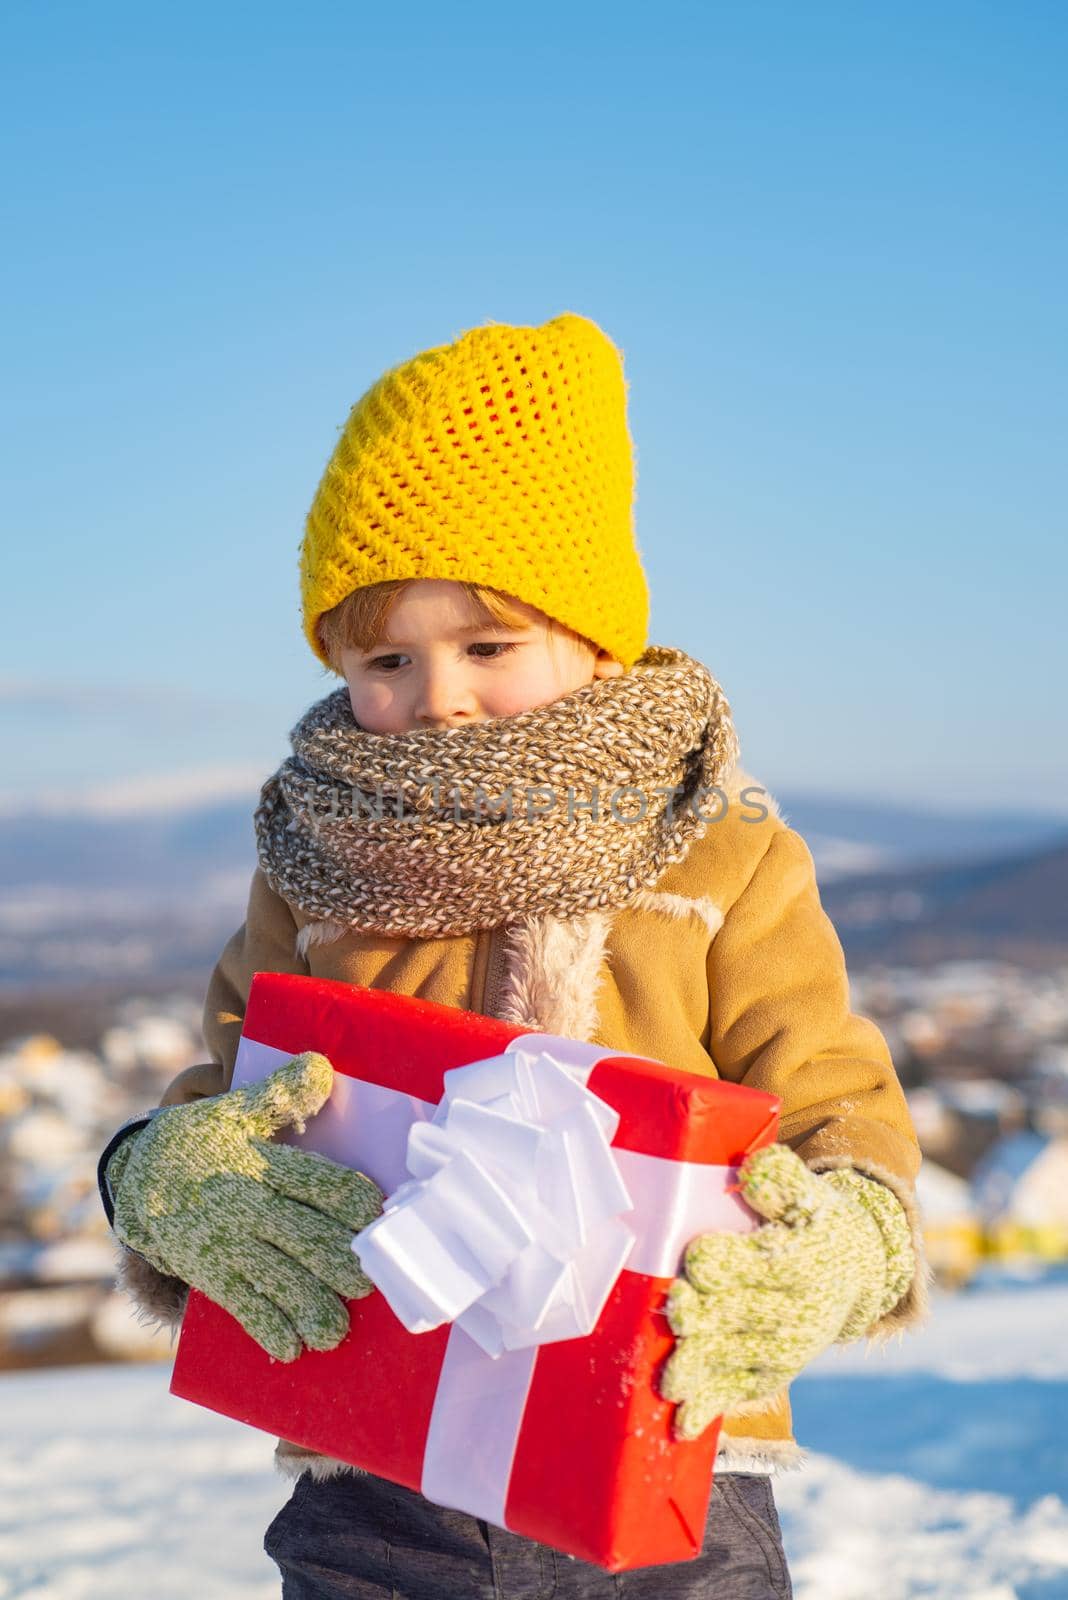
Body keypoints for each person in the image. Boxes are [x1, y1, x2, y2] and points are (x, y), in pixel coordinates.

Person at [98, 313, 931, 1599]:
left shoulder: (724, 857)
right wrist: (160, 1182)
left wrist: (847, 1243)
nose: (438, 696)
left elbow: (837, 1104)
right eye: (388, 657)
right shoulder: (318, 863)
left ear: (596, 639)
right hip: (377, 1474)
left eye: (489, 646)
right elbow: (231, 1095)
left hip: (667, 1444)